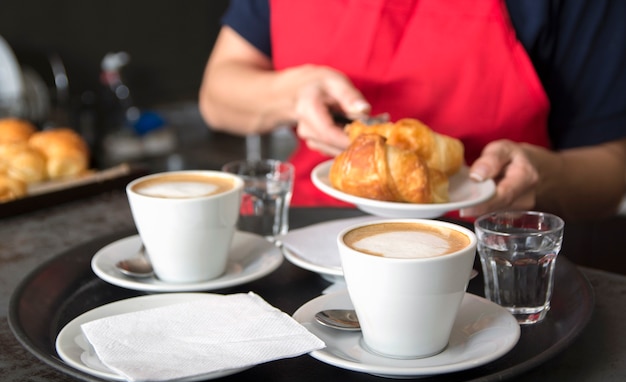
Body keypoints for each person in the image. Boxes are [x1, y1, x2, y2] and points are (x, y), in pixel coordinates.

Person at [199, 0, 626, 221]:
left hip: (484, 257)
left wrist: (546, 177)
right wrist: (290, 94)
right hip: (306, 232)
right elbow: (217, 96)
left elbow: (613, 168)